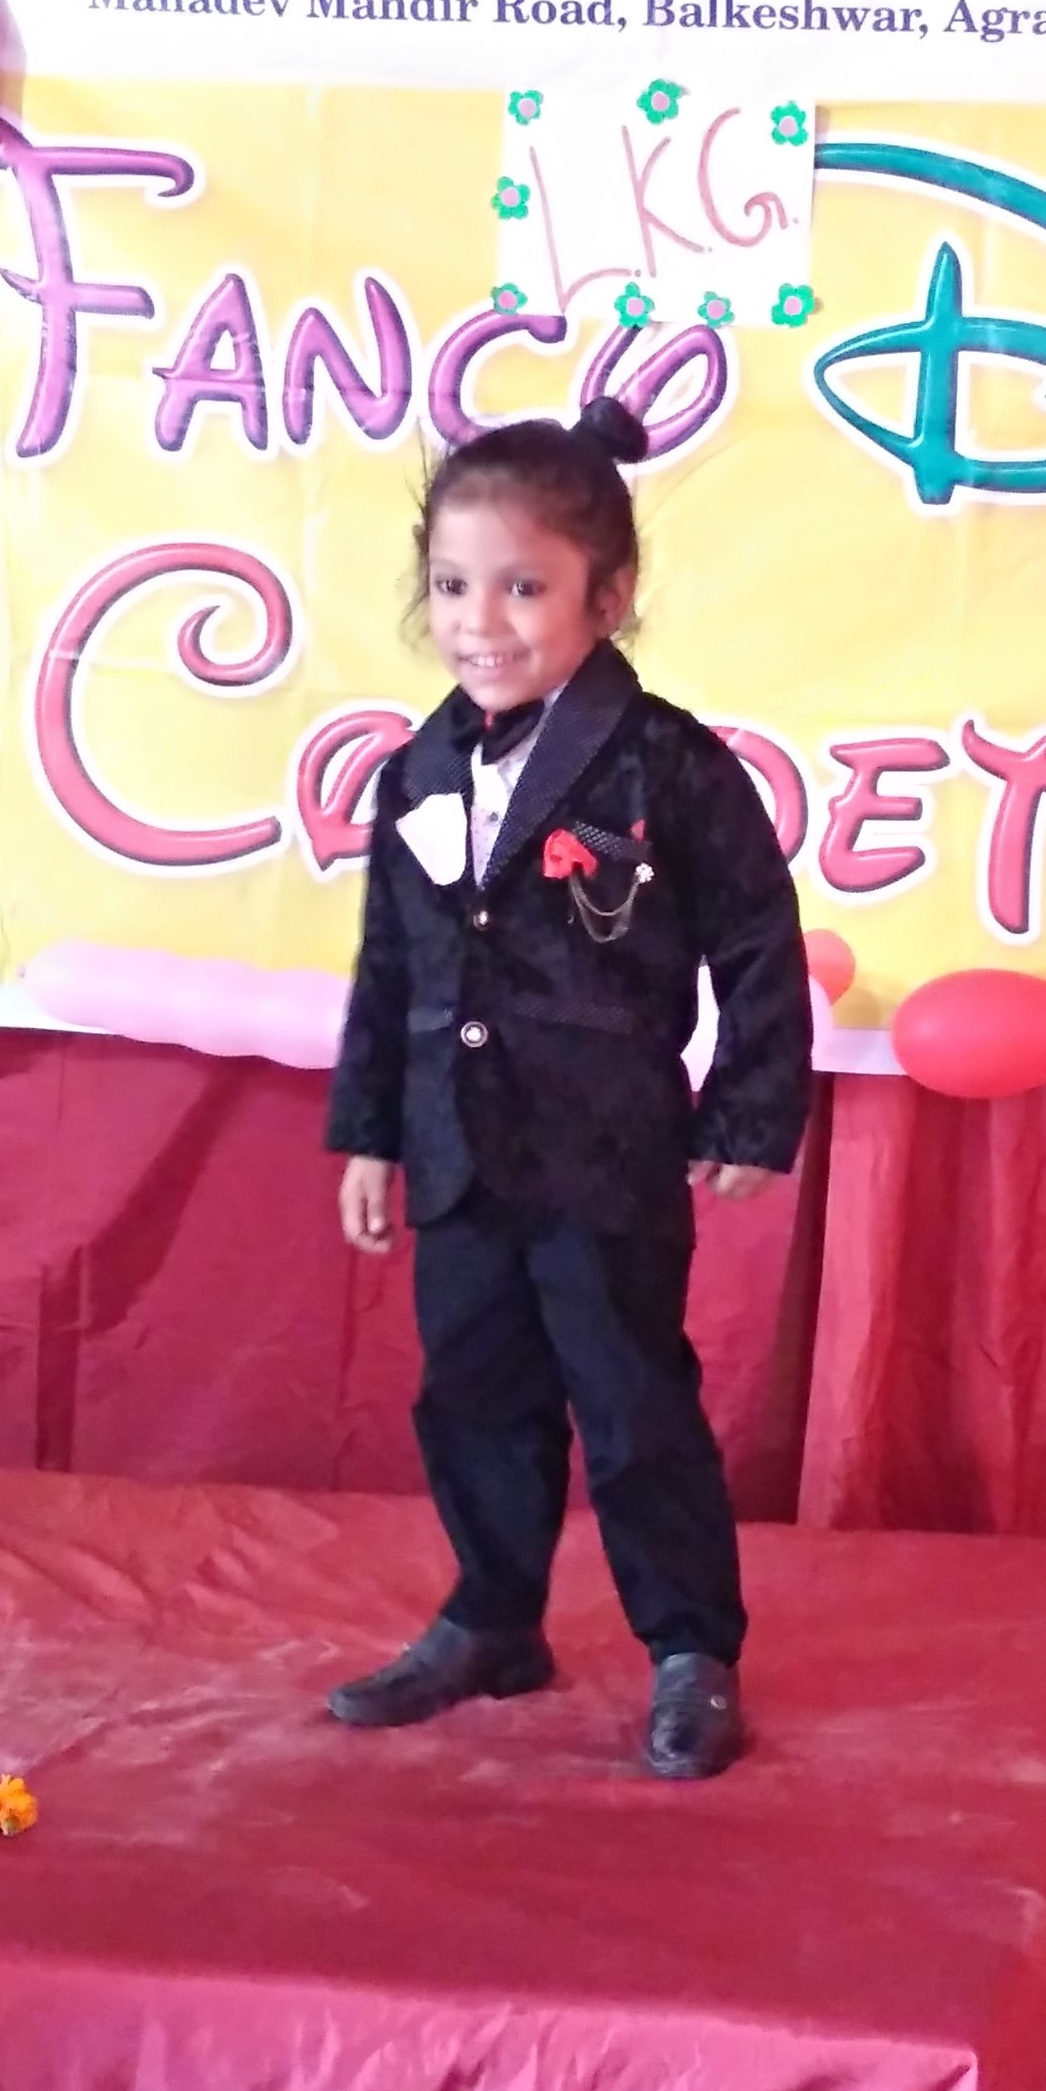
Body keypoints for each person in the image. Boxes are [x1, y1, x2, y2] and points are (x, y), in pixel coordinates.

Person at [324, 396, 812, 1781]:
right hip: (458, 1151)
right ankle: (494, 1617)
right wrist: (371, 1131)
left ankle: (691, 1648)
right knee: (472, 1394)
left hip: (605, 1153)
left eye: (523, 588)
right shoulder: (417, 768)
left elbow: (757, 942)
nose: (480, 622)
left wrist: (751, 1111)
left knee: (631, 1400)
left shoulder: (667, 764)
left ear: (610, 595)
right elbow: (390, 963)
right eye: (451, 586)